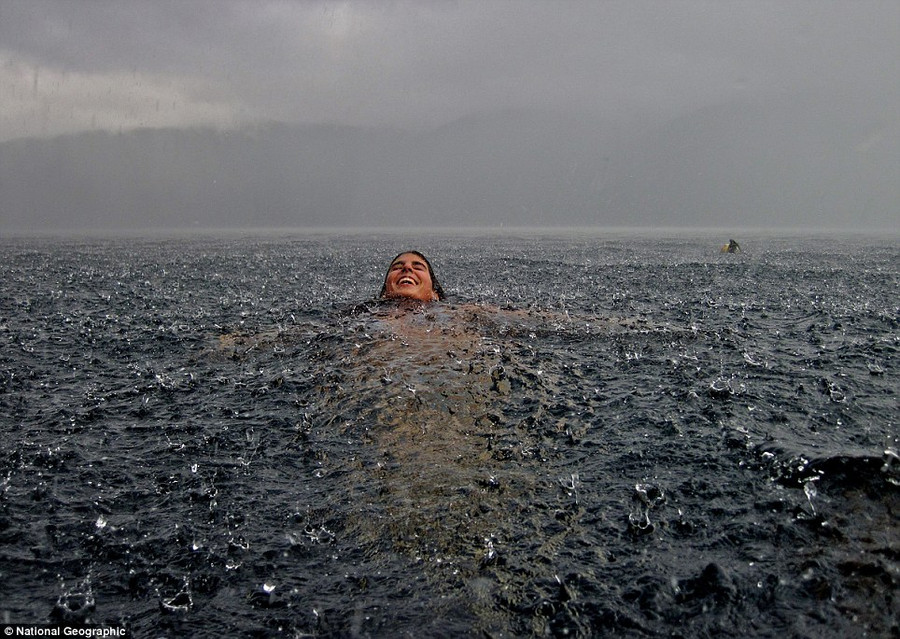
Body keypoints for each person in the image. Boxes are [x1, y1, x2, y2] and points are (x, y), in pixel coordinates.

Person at [379, 251, 446, 302]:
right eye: (397, 268)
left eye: (418, 268)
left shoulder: (453, 315)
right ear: (384, 293)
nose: (407, 267)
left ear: (434, 294)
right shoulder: (370, 313)